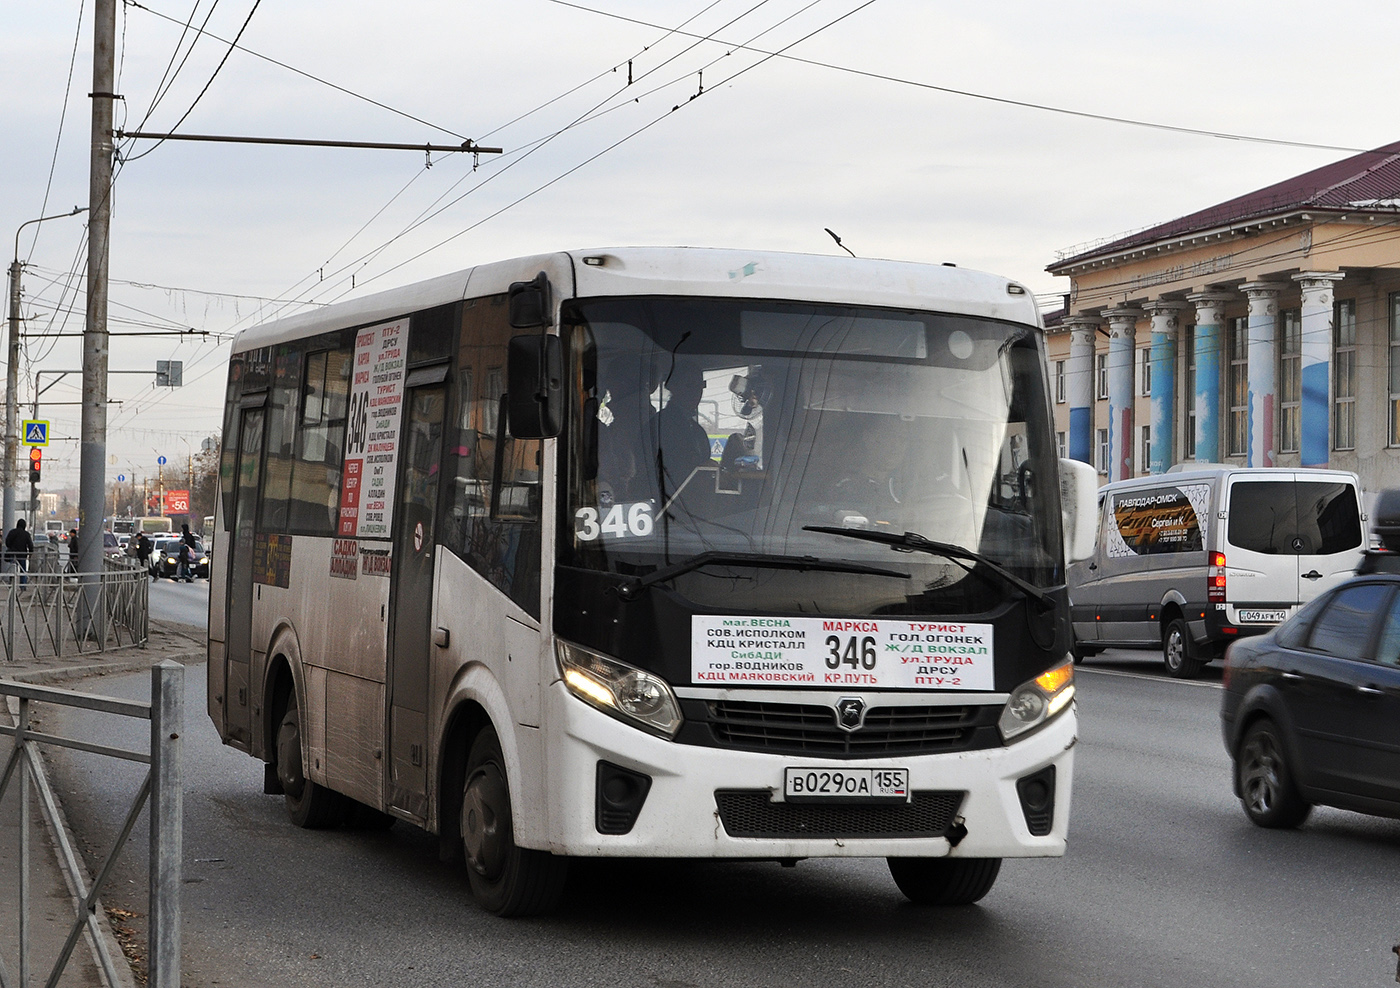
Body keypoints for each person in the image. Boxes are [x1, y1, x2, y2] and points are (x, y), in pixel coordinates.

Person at [5, 519, 34, 587]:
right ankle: (22, 585)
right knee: (23, 570)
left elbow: (7, 542)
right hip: (22, 555)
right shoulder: (26, 534)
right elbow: (30, 545)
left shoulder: (12, 532)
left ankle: (12, 584)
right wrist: (30, 552)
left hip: (13, 554)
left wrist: (11, 547)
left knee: (13, 569)